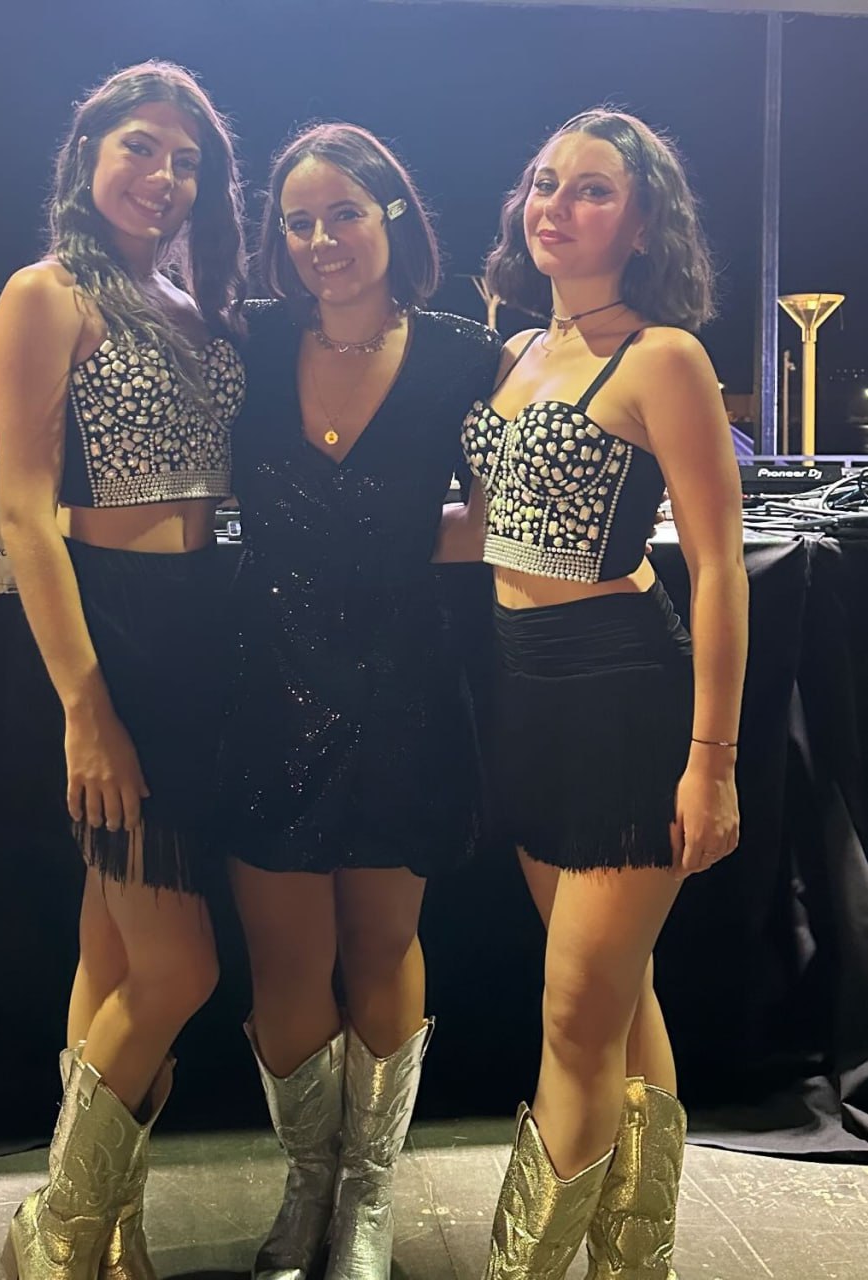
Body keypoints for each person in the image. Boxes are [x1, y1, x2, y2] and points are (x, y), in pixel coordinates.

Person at [448, 109, 747, 1278]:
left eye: (590, 189)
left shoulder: (662, 357)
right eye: (543, 183)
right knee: (619, 1003)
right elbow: (492, 529)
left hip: (624, 695)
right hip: (522, 694)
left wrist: (710, 761)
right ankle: (633, 1261)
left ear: (642, 224)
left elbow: (715, 566)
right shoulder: (516, 348)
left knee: (573, 1019)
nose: (554, 206)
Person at [219, 123, 502, 1280]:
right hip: (266, 677)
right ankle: (308, 1184)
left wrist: (381, 547)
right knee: (284, 956)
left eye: (343, 212)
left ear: (392, 215)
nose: (320, 238)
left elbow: (491, 516)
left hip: (403, 681)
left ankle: (368, 1193)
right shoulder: (247, 338)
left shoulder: (461, 352)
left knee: (382, 945)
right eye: (297, 221)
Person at [0, 61, 246, 1280]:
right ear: (87, 153)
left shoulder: (187, 299)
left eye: (186, 160)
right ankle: (57, 1219)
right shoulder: (45, 294)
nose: (163, 175)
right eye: (140, 146)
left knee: (117, 954)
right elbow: (25, 514)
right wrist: (85, 707)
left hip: (200, 634)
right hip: (115, 639)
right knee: (182, 967)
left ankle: (104, 1220)